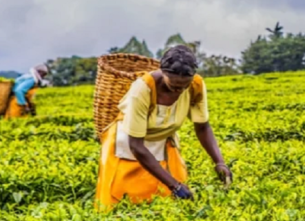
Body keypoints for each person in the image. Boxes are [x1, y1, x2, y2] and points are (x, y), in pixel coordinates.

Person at [95, 45, 232, 211]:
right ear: (162, 73)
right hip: (128, 143)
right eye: (173, 85)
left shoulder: (196, 85)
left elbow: (202, 127)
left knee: (166, 202)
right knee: (122, 200)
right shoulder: (143, 89)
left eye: (184, 86)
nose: (179, 90)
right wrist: (174, 185)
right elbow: (136, 146)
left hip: (162, 140)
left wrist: (220, 162)